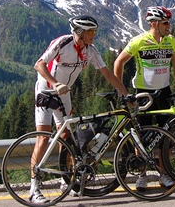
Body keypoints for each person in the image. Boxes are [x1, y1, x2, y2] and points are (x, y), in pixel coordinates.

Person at [30, 15, 130, 204]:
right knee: (43, 138)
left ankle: (66, 180)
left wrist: (124, 93)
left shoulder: (90, 50)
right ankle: (34, 187)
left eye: (94, 31)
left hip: (63, 93)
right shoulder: (63, 43)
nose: (94, 35)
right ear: (79, 32)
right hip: (46, 90)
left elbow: (107, 73)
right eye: (90, 32)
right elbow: (39, 65)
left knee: (66, 136)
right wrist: (55, 83)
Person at [113, 6, 175, 190]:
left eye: (169, 22)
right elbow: (118, 62)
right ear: (154, 24)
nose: (169, 26)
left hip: (164, 92)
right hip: (143, 93)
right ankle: (141, 175)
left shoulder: (171, 41)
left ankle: (164, 174)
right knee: (141, 136)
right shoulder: (139, 41)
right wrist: (121, 91)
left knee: (165, 135)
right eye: (166, 23)